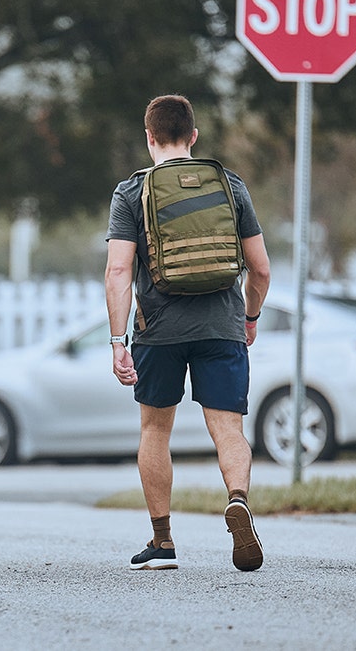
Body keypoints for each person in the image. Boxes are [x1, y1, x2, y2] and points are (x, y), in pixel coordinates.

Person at [104, 94, 271, 572]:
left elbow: (119, 271)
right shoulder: (230, 184)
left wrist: (119, 341)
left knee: (156, 429)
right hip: (222, 325)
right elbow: (259, 270)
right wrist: (250, 318)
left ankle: (162, 541)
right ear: (193, 136)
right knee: (229, 428)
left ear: (149, 137)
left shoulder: (131, 192)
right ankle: (237, 499)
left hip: (158, 329)